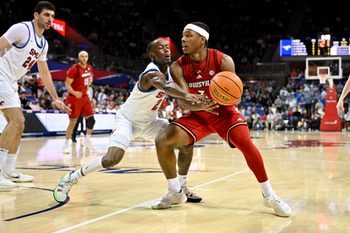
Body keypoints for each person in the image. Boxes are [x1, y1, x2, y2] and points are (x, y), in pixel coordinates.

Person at [151, 22, 292, 217]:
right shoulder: (177, 66)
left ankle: (269, 195)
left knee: (246, 144)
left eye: (189, 35)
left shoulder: (223, 60)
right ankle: (176, 190)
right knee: (163, 140)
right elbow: (184, 101)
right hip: (198, 116)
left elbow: (236, 96)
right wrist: (199, 105)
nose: (183, 39)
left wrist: (222, 97)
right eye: (182, 35)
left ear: (202, 39)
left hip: (224, 114)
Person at [53, 38, 206, 203]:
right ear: (152, 55)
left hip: (150, 122)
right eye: (161, 48)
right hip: (128, 120)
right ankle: (71, 177)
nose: (167, 50)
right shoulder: (150, 74)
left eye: (167, 47)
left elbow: (181, 91)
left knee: (186, 142)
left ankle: (180, 188)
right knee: (112, 159)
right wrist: (187, 95)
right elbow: (165, 86)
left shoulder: (171, 71)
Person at [0, 1, 71, 189]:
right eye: (47, 15)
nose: (50, 19)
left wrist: (55, 97)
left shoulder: (43, 44)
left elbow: (45, 72)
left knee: (19, 124)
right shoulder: (22, 29)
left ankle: (9, 170)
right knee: (16, 120)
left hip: (11, 81)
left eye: (52, 16)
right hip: (0, 74)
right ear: (36, 15)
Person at [62, 51, 95, 153]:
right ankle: (66, 144)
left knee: (92, 120)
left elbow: (90, 78)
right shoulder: (74, 69)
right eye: (82, 56)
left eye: (85, 56)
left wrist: (90, 81)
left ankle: (87, 140)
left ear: (88, 57)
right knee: (72, 123)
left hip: (85, 97)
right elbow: (67, 84)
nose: (84, 58)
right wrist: (75, 93)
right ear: (79, 57)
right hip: (74, 98)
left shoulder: (89, 67)